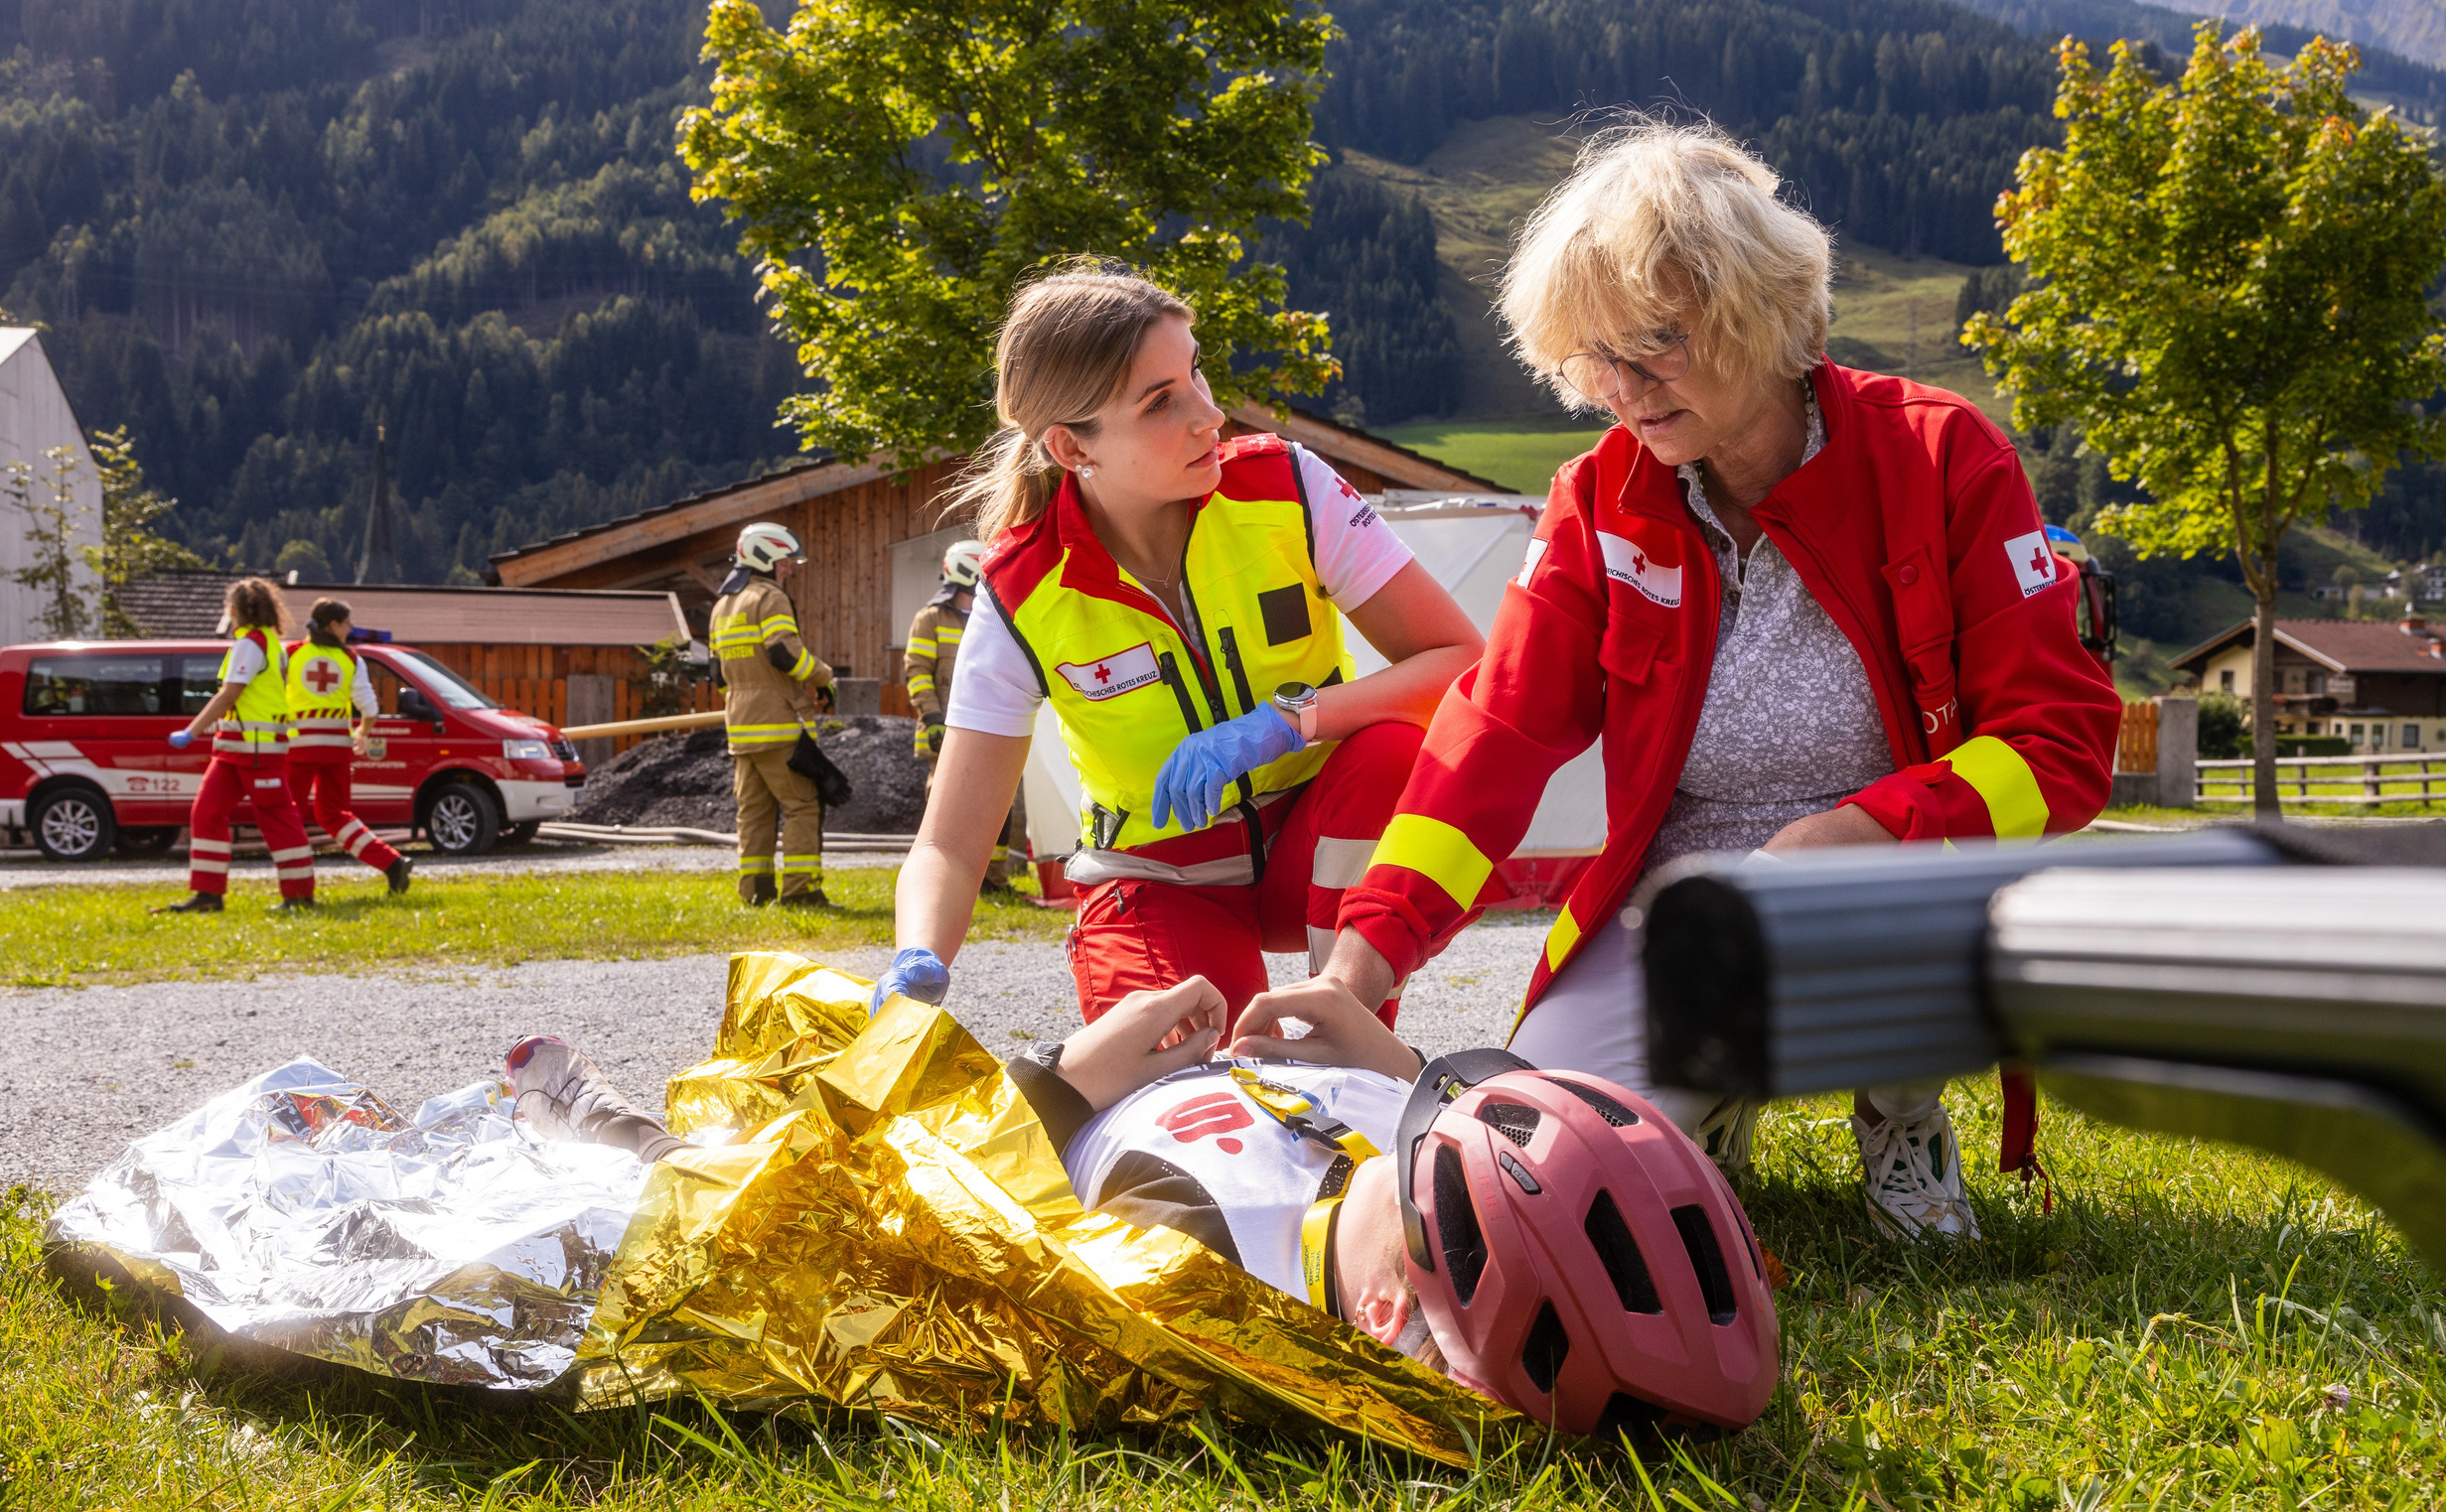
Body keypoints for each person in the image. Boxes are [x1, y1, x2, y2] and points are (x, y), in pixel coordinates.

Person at [1300, 118, 2121, 1243]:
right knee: (1536, 1168)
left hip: (1893, 893)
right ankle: (1711, 1073)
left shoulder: (1943, 454)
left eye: (1656, 344)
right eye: (1594, 358)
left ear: (1760, 309)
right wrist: (1363, 954)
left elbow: (2061, 744)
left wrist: (1858, 832)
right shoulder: (1600, 497)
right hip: (1683, 912)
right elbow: (1493, 736)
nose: (1622, 389)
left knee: (1872, 953)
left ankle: (1899, 1111)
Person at [511, 974, 1779, 1437]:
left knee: (741, 1171)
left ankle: (580, 1115)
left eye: (1421, 1129)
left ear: (1389, 1312)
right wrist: (1382, 1059)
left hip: (1051, 1112)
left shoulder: (1198, 1257)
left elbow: (925, 1199)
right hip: (1203, 1059)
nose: (1425, 1112)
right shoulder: (1421, 1169)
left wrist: (1069, 1078)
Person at [874, 262, 1487, 1024]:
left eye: (1195, 374)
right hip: (1162, 876)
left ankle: (1349, 1029)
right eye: (1162, 402)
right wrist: (916, 958)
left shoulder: (1291, 487)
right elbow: (951, 846)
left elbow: (1463, 661)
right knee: (1206, 1082)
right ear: (1071, 448)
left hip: (1313, 844)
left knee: (1392, 751)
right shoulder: (1019, 592)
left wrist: (1291, 722)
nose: (1211, 415)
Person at [157, 577, 319, 914]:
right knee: (206, 813)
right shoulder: (273, 645)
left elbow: (230, 693)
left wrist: (192, 730)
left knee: (276, 817)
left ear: (234, 610)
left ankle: (299, 896)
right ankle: (207, 895)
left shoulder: (251, 645)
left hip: (255, 750)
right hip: (238, 748)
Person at [710, 521, 837, 907]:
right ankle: (801, 891)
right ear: (764, 557)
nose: (789, 569)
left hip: (740, 730)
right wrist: (823, 677)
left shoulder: (722, 606)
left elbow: (716, 676)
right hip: (779, 725)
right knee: (801, 805)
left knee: (754, 812)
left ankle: (755, 892)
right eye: (784, 561)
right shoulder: (769, 597)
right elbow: (784, 653)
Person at [904, 539, 1030, 892]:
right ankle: (941, 884)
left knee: (1000, 806)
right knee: (945, 811)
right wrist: (931, 718)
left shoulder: (993, 615)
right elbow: (916, 672)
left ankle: (993, 880)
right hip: (944, 731)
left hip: (993, 728)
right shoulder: (930, 619)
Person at [283, 597, 414, 895]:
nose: (350, 629)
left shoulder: (290, 654)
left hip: (299, 748)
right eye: (347, 623)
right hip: (336, 750)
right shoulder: (351, 659)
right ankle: (392, 863)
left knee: (288, 814)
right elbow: (370, 710)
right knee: (334, 814)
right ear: (333, 625)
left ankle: (296, 886)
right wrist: (361, 735)